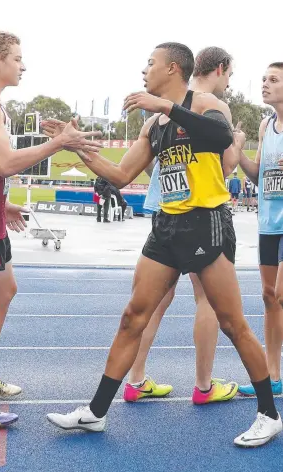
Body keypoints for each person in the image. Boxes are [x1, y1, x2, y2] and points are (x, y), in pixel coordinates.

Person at [44, 43, 282, 446]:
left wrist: (168, 107)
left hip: (207, 224)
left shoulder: (207, 104)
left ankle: (269, 414)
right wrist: (77, 147)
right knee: (132, 316)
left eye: (150, 64)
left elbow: (220, 137)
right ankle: (96, 413)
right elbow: (119, 175)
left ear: (172, 68)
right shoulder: (153, 124)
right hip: (166, 228)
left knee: (232, 323)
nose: (144, 71)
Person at [0, 30, 102, 428]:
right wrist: (59, 142)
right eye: (16, 58)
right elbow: (7, 163)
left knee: (6, 290)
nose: (23, 65)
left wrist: (3, 204)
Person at [124, 47, 239, 404]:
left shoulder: (166, 103)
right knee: (206, 299)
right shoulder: (209, 105)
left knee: (152, 301)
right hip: (199, 216)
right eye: (231, 75)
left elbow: (149, 164)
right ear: (220, 69)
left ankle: (135, 379)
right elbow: (225, 168)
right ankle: (204, 386)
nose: (230, 81)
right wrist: (235, 143)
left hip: (164, 210)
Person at [237, 62, 283, 397]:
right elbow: (257, 176)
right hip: (269, 222)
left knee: (281, 293)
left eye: (273, 80)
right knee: (269, 297)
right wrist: (237, 153)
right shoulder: (267, 126)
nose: (265, 84)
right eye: (264, 79)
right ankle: (273, 373)